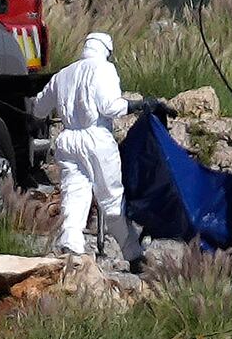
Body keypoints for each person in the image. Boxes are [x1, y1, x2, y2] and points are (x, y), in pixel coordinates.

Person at [31, 32, 146, 274]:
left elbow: (39, 108)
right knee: (111, 200)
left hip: (67, 139)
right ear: (106, 50)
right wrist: (140, 105)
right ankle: (134, 255)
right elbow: (110, 106)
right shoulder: (103, 69)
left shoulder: (64, 73)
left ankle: (71, 248)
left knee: (75, 195)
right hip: (96, 139)